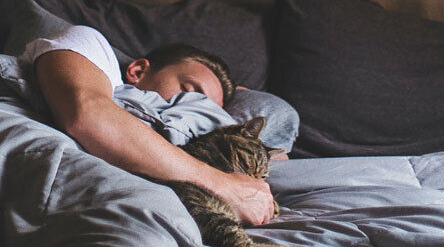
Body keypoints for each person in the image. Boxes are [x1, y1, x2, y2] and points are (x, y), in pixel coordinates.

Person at [26, 25, 275, 225]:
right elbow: (87, 113)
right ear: (138, 70)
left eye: (207, 109)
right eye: (188, 91)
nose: (193, 108)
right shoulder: (91, 45)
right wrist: (223, 185)